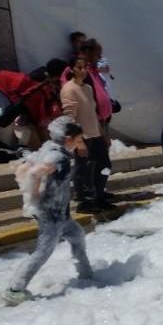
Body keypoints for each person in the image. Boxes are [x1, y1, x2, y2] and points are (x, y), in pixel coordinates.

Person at [3, 117, 92, 306]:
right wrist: (33, 200)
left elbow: (25, 166)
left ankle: (87, 276)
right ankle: (15, 289)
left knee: (77, 236)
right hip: (51, 215)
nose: (79, 144)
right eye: (77, 140)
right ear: (68, 138)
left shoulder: (49, 147)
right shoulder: (57, 156)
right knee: (43, 252)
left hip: (61, 214)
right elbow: (35, 173)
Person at [60, 55, 114, 213]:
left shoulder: (87, 88)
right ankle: (84, 201)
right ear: (72, 69)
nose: (83, 71)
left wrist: (102, 132)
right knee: (83, 170)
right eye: (79, 68)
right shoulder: (69, 90)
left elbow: (92, 112)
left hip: (95, 133)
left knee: (104, 165)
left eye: (85, 67)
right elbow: (70, 118)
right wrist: (78, 141)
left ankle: (99, 196)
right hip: (82, 137)